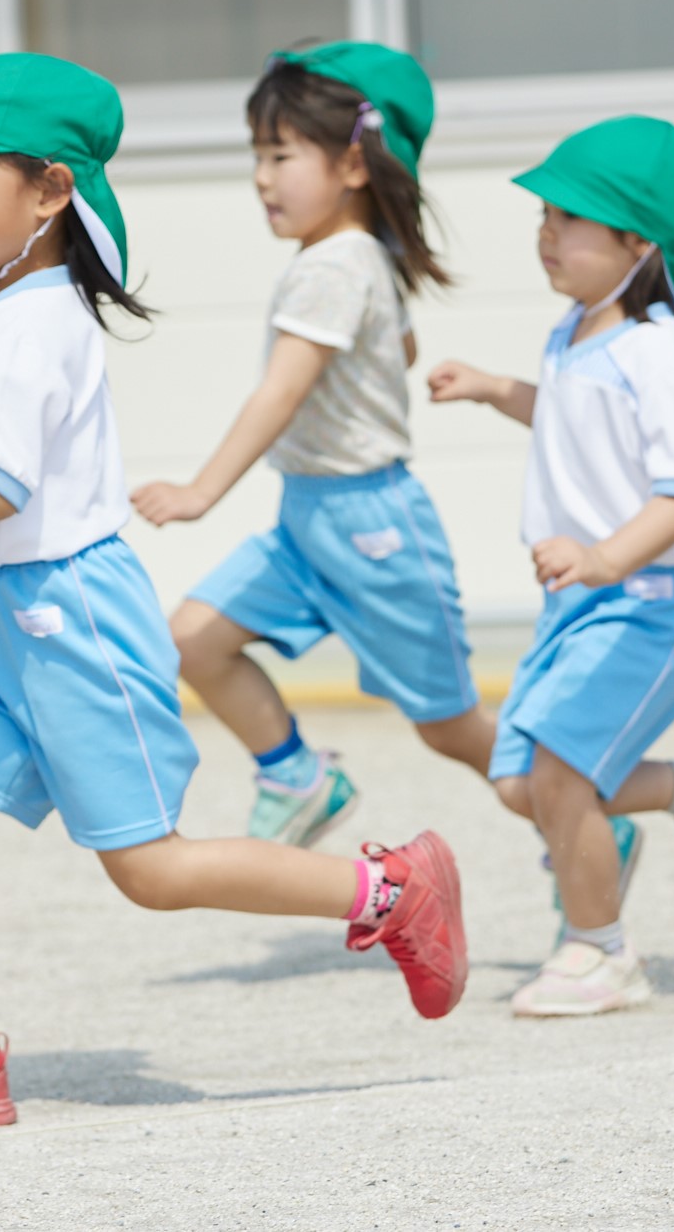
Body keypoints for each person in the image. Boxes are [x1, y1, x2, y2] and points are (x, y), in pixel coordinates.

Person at [0, 53, 466, 1134]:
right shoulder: (8, 304)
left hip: (74, 621)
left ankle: (390, 891)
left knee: (149, 869)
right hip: (13, 619)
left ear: (49, 191)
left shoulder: (33, 319)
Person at [429, 117, 674, 1017]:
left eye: (569, 219)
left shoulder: (662, 351)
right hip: (584, 604)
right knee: (518, 783)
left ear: (638, 242)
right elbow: (572, 418)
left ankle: (602, 953)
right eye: (544, 215)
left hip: (654, 600)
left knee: (558, 776)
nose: (546, 234)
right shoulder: (575, 332)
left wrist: (603, 556)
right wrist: (495, 389)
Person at [132, 42, 496, 845]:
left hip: (375, 532)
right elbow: (392, 354)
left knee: (452, 727)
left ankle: (584, 820)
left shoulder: (334, 265)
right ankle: (299, 775)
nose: (262, 176)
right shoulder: (359, 256)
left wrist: (199, 493)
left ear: (355, 165)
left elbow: (283, 390)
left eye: (281, 154)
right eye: (257, 155)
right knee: (192, 638)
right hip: (310, 520)